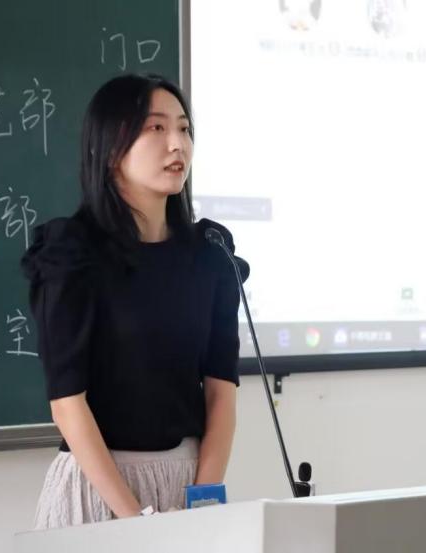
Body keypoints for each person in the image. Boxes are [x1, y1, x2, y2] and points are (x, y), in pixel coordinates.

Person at [21, 73, 249, 528]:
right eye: (156, 128)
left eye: (184, 128)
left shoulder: (210, 255)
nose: (177, 144)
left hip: (186, 483)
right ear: (110, 150)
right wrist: (136, 522)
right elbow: (67, 403)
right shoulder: (72, 255)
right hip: (98, 488)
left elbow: (221, 393)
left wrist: (201, 506)